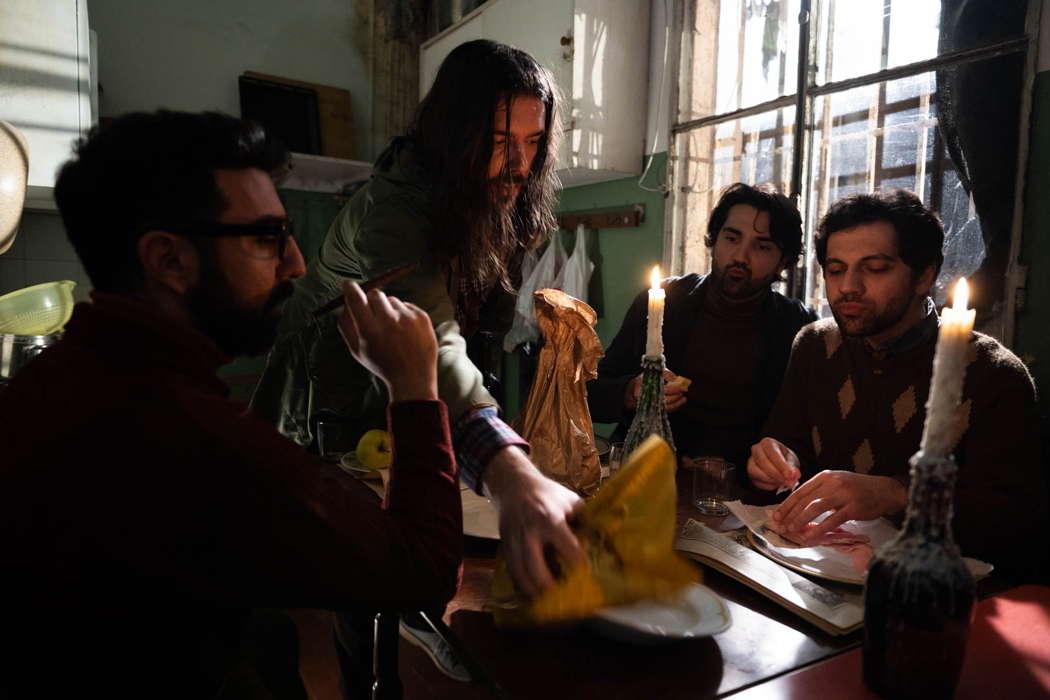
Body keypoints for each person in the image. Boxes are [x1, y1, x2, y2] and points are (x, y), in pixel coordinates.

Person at [0, 110, 463, 698]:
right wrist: (415, 387)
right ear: (167, 259)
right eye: (267, 239)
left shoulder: (60, 381)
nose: (296, 263)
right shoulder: (188, 437)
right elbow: (421, 575)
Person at [249, 38, 583, 686]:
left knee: (423, 538)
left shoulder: (506, 197)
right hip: (332, 392)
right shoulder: (394, 208)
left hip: (411, 381)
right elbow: (436, 334)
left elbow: (467, 330)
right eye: (497, 140)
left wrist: (497, 438)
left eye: (533, 141)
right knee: (360, 558)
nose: (518, 164)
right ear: (453, 133)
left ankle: (416, 630)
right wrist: (513, 476)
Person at [748, 190, 1048, 580]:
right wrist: (773, 461)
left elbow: (1014, 524)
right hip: (817, 572)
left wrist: (896, 494)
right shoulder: (815, 346)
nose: (848, 287)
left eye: (874, 268)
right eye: (836, 269)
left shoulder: (992, 374)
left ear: (924, 275)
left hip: (936, 593)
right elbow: (790, 445)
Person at [588, 183, 816, 473]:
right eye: (731, 238)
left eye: (761, 246)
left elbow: (803, 434)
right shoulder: (664, 300)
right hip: (643, 474)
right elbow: (591, 391)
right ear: (715, 238)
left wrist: (744, 467)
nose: (740, 257)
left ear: (782, 261)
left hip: (738, 494)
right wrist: (631, 392)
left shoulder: (798, 326)